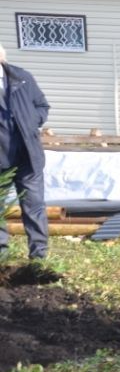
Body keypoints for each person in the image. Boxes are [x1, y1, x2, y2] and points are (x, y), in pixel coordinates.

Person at [0, 42, 50, 260]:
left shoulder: (22, 78)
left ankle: (38, 255)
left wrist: (32, 122)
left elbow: (42, 106)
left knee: (34, 206)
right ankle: (1, 256)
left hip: (28, 157)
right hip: (1, 159)